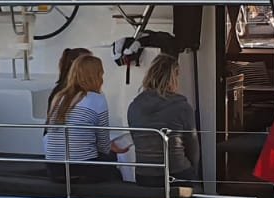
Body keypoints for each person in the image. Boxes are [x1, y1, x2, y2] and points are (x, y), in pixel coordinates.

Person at [43, 54, 128, 183]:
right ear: (97, 76)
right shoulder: (97, 99)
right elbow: (103, 146)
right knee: (112, 159)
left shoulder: (59, 97)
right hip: (81, 169)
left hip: (54, 169)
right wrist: (113, 147)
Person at [127, 53, 200, 187]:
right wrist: (193, 171)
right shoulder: (182, 106)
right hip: (177, 172)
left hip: (144, 175)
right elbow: (193, 145)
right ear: (174, 77)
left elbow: (136, 139)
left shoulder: (134, 106)